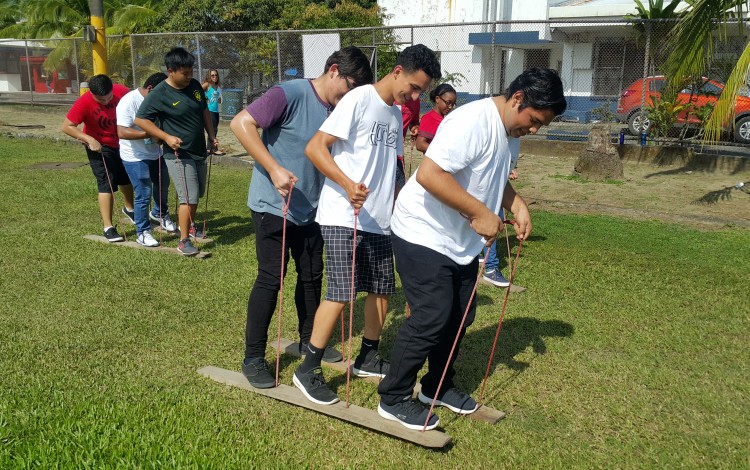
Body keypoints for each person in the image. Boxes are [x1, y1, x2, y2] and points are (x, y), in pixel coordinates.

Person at [377, 68, 566, 431]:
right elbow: (431, 175)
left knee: (460, 315)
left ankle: (436, 387)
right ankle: (394, 396)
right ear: (517, 99)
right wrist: (481, 212)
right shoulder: (471, 121)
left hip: (459, 241)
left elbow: (493, 176)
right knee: (431, 315)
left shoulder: (512, 131)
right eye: (534, 120)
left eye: (542, 124)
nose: (535, 129)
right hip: (421, 230)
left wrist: (517, 205)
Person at [293, 44, 441, 406]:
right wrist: (347, 185)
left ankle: (368, 355)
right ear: (397, 71)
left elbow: (390, 168)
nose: (416, 95)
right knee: (341, 292)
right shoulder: (359, 98)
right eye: (415, 86)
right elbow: (315, 148)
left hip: (379, 219)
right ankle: (308, 368)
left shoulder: (394, 114)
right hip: (343, 215)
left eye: (422, 90)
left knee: (382, 288)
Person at [230, 46, 374, 389]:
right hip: (273, 206)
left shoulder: (340, 109)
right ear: (335, 71)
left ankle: (311, 343)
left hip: (313, 209)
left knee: (311, 277)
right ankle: (253, 357)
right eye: (351, 86)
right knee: (270, 279)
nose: (351, 95)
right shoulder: (290, 93)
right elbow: (241, 123)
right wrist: (274, 168)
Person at [135, 47, 218, 256]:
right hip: (178, 154)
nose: (190, 77)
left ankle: (189, 226)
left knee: (196, 194)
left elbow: (204, 110)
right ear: (171, 70)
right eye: (185, 73)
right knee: (188, 197)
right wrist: (165, 137)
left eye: (191, 72)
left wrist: (211, 135)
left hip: (199, 150)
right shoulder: (160, 93)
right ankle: (183, 241)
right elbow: (140, 119)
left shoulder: (196, 86)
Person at [62, 74, 135, 242]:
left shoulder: (122, 91)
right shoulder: (84, 102)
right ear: (92, 93)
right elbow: (67, 126)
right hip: (99, 147)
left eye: (108, 97)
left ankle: (130, 210)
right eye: (101, 99)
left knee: (126, 178)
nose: (106, 101)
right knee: (106, 183)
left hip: (122, 143)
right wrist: (88, 139)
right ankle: (108, 227)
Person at [116, 72, 177, 247]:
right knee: (143, 193)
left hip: (156, 153)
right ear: (151, 89)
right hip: (135, 156)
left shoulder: (159, 101)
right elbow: (122, 132)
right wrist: (150, 133)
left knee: (162, 185)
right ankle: (142, 231)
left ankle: (159, 213)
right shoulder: (129, 101)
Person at [481, 168, 519, 287]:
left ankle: (477, 253)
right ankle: (491, 270)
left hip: (490, 186)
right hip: (486, 189)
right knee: (494, 223)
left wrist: (506, 171)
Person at [414, 83, 456, 153]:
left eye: (453, 104)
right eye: (448, 103)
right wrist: (444, 152)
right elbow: (420, 144)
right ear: (437, 99)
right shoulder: (429, 118)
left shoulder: (443, 119)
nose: (450, 107)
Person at [202, 69, 224, 155]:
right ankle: (214, 149)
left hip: (216, 111)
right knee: (213, 129)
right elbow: (197, 91)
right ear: (209, 76)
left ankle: (209, 149)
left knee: (214, 129)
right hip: (209, 110)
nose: (214, 77)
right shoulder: (207, 85)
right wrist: (204, 99)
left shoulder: (218, 87)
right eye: (212, 75)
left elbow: (218, 100)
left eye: (216, 75)